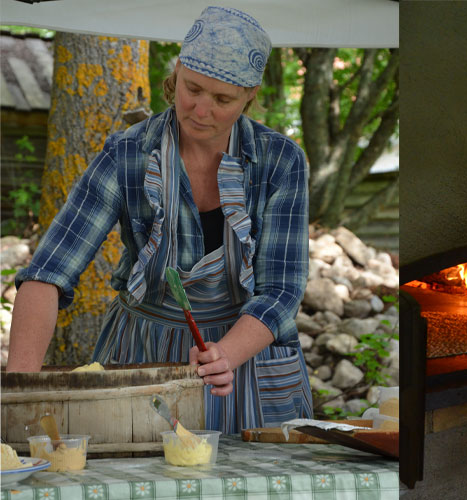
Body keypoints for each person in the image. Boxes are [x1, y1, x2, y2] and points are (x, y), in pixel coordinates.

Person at [7, 6, 313, 435]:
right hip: (143, 359)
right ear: (177, 73)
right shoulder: (127, 155)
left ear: (250, 95)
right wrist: (20, 392)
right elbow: (47, 275)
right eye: (192, 88)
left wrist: (225, 355)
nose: (201, 109)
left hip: (246, 359)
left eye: (222, 99)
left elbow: (281, 289)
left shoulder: (281, 162)